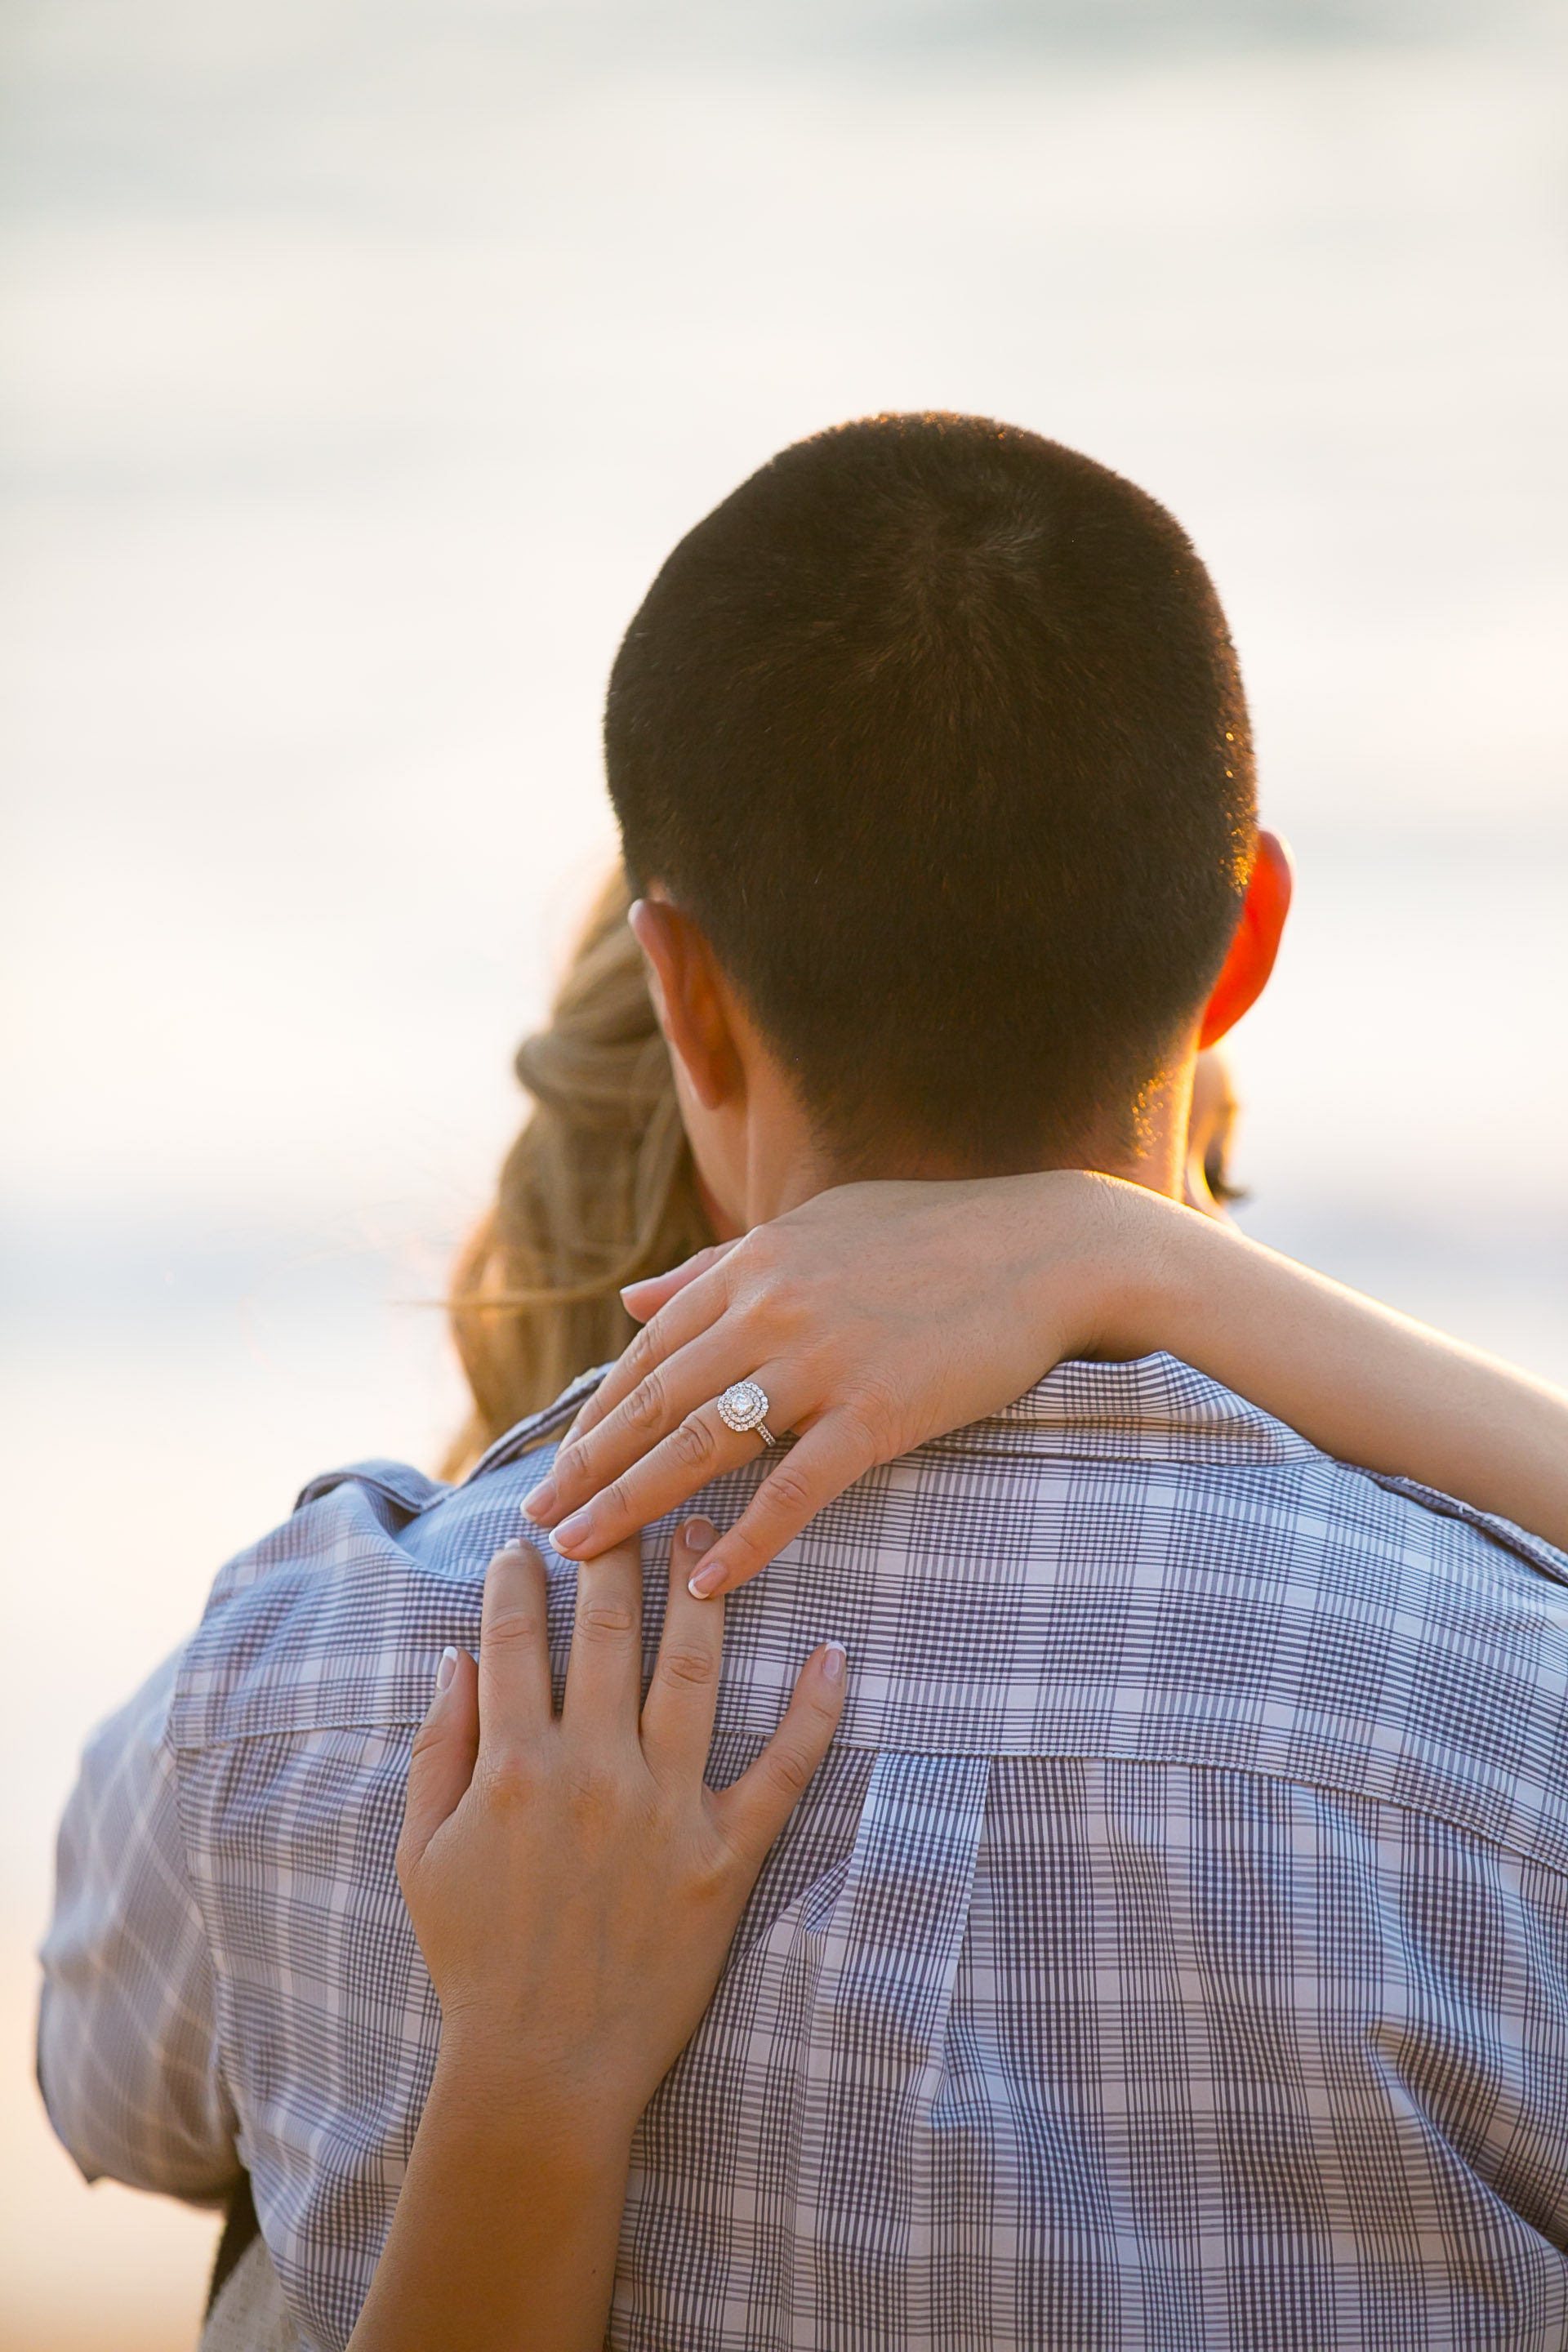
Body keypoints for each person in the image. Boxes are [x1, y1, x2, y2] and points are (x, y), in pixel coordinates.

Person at [40, 416, 1568, 2350]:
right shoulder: (1514, 1728)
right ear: (1241, 936)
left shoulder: (303, 1686)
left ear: (676, 985)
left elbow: (105, 2085)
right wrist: (1148, 1259)